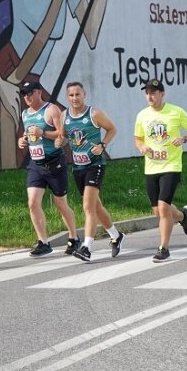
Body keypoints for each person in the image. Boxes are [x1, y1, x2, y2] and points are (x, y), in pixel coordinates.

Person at [56, 81, 125, 261]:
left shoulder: (94, 113)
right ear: (67, 97)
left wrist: (102, 145)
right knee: (96, 206)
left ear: (84, 95)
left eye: (78, 94)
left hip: (96, 164)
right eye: (71, 95)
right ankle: (116, 236)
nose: (75, 98)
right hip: (78, 166)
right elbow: (63, 137)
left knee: (87, 205)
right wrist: (60, 142)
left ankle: (86, 247)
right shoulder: (64, 116)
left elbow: (112, 129)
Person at [134, 78, 187, 262]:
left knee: (163, 207)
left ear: (162, 94)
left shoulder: (176, 112)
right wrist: (141, 147)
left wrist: (184, 138)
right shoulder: (142, 115)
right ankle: (181, 217)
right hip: (151, 166)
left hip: (171, 165)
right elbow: (138, 138)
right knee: (157, 211)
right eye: (147, 93)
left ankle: (164, 248)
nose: (150, 96)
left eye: (153, 93)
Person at [17, 81, 80, 257]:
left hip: (54, 163)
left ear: (38, 92)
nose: (27, 97)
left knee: (61, 204)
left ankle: (74, 238)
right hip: (35, 164)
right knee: (32, 203)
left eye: (30, 93)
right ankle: (43, 242)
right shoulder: (25, 113)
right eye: (24, 94)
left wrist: (43, 133)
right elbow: (28, 133)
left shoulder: (51, 110)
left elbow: (62, 134)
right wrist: (22, 140)